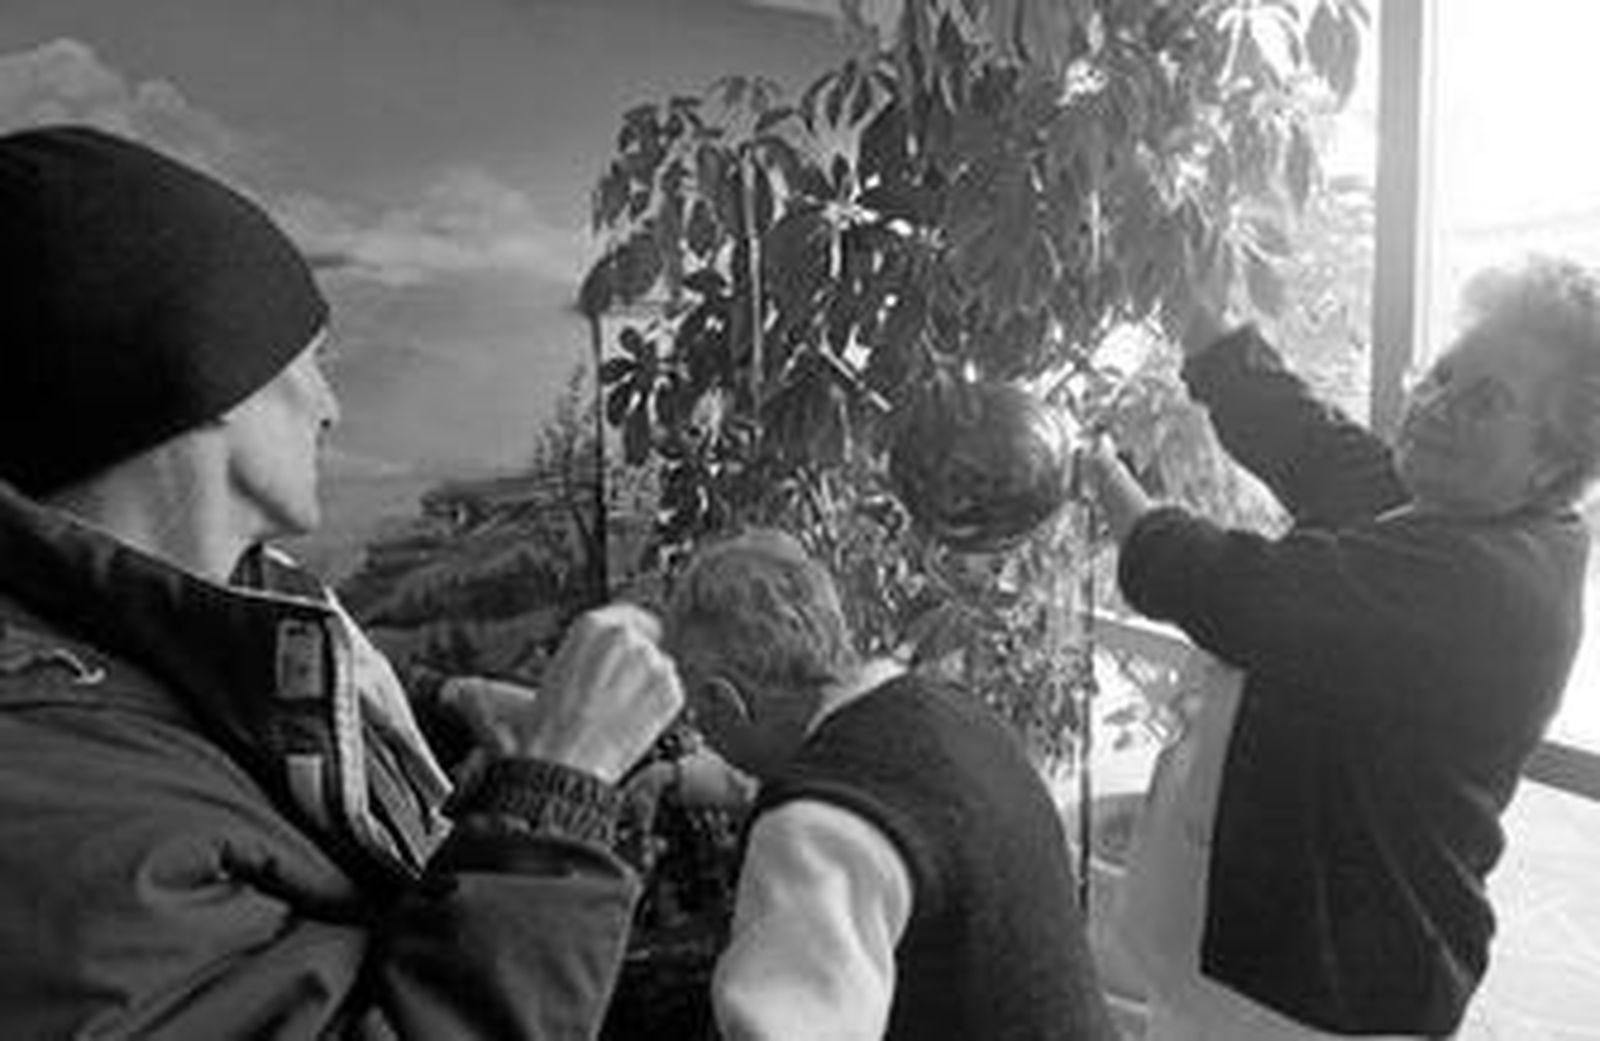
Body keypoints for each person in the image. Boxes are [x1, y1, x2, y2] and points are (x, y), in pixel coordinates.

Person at [0, 123, 684, 1038]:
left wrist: (444, 706)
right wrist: (558, 793)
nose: (331, 405)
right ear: (202, 376)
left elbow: (214, 696)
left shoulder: (185, 617)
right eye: (312, 360)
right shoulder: (52, 808)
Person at [1080, 256, 1600, 1039]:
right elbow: (1310, 441)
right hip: (1278, 957)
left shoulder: (1490, 582)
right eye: (1442, 376)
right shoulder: (1456, 507)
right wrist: (1204, 322)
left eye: (1485, 401)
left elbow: (1243, 593)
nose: (1437, 407)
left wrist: (1103, 477)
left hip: (1328, 988)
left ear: (1554, 460)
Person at [662, 527, 1119, 1041]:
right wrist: (689, 779)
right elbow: (898, 816)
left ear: (725, 701)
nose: (704, 732)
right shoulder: (953, 713)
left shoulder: (811, 832)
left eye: (699, 713)